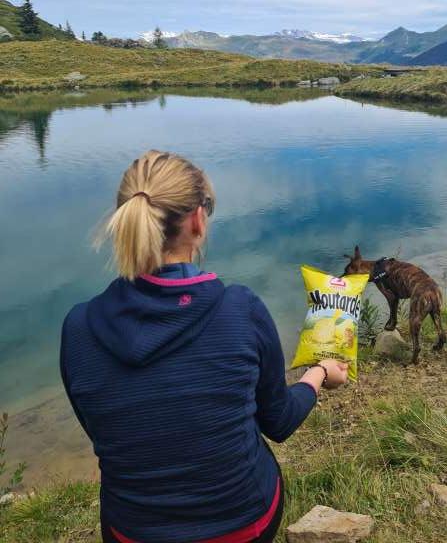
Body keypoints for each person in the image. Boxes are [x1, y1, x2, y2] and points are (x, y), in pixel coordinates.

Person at [60, 150, 348, 543]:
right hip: (243, 525)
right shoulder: (241, 309)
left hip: (132, 532)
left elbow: (103, 429)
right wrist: (318, 373)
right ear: (197, 219)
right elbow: (278, 422)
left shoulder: (78, 327)